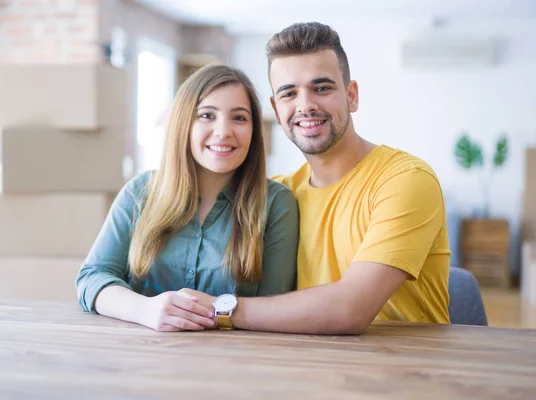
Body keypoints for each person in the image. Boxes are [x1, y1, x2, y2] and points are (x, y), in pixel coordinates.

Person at [181, 22, 451, 334]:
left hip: (407, 371)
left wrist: (221, 308)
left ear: (352, 96)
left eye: (322, 88)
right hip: (308, 367)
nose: (305, 105)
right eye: (289, 93)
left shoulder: (404, 180)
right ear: (276, 109)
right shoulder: (279, 195)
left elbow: (350, 310)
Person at [76, 64, 299, 332]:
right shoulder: (140, 192)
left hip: (236, 362)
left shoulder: (276, 204)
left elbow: (275, 307)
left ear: (253, 130)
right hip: (139, 358)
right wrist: (145, 309)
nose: (223, 131)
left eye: (239, 118)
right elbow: (93, 278)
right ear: (184, 123)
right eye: (207, 115)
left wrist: (217, 309)